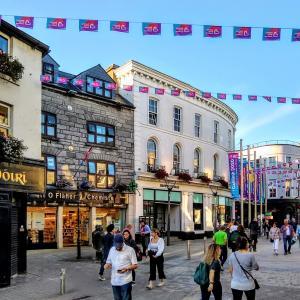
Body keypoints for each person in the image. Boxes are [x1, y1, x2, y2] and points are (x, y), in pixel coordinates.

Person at [104, 234, 138, 300]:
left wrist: (127, 268)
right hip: (114, 281)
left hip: (125, 281)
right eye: (116, 245)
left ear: (122, 242)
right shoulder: (112, 250)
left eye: (119, 245)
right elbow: (108, 262)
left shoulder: (130, 250)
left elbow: (135, 265)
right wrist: (107, 265)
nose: (117, 247)